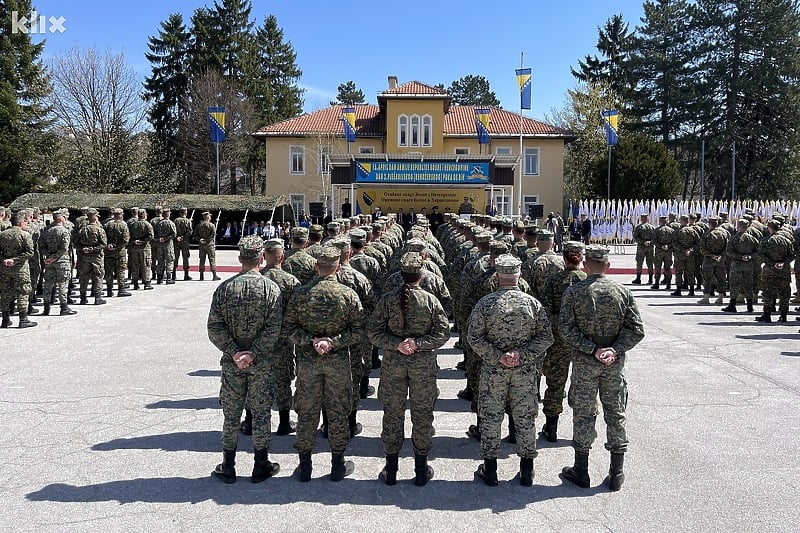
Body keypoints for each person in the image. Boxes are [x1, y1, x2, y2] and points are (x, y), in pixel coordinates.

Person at [558, 245, 645, 491]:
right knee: (615, 414)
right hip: (612, 364)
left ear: (586, 266)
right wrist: (614, 349)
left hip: (586, 364)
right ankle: (616, 473)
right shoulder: (622, 292)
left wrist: (591, 349)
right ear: (607, 266)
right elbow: (636, 330)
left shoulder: (575, 292)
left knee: (584, 415)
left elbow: (566, 330)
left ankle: (581, 471)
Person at [468, 254, 554, 487]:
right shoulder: (532, 304)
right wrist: (521, 355)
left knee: (491, 417)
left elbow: (473, 338)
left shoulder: (485, 304)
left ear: (497, 277)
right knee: (525, 418)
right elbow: (546, 337)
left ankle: (491, 469)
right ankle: (527, 471)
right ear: (519, 276)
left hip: (494, 371)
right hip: (524, 371)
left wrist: (498, 356)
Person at [282, 247, 364, 482]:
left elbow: (288, 329)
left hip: (308, 362)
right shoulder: (347, 294)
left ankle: (305, 465)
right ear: (337, 267)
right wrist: (334, 342)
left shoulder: (300, 294)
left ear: (317, 267)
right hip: (337, 363)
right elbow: (358, 330)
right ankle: (337, 465)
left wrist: (311, 341)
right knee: (337, 412)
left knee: (307, 412)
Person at [368, 252, 450, 486]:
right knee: (422, 415)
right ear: (421, 274)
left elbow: (373, 332)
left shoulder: (387, 299)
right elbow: (443, 333)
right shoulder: (430, 301)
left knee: (392, 414)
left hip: (394, 363)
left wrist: (396, 344)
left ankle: (391, 469)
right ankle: (421, 470)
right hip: (422, 365)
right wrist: (418, 344)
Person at [207, 235, 283, 484]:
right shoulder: (271, 289)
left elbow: (214, 328)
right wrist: (253, 353)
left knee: (231, 414)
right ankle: (261, 464)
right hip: (260, 364)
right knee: (261, 413)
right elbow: (273, 330)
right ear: (262, 259)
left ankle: (228, 465)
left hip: (233, 364)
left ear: (240, 258)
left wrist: (235, 352)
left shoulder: (225, 289)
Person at [539, 241, 586, 442]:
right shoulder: (587, 281)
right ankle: (582, 433)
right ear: (580, 258)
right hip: (584, 342)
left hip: (559, 340)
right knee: (584, 386)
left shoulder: (553, 281)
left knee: (555, 383)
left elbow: (545, 311)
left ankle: (551, 428)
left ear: (563, 257)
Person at [0, 211, 36, 328]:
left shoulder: (2, 235)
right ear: (20, 223)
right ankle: (23, 319)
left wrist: (4, 260)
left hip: (5, 268)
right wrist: (15, 260)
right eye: (25, 221)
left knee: (5, 292)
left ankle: (5, 319)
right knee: (23, 291)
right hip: (20, 269)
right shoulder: (24, 235)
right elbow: (30, 252)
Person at [39, 209, 77, 317]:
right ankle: (63, 307)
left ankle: (46, 307)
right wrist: (54, 257)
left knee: (48, 283)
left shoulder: (47, 231)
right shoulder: (64, 231)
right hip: (62, 261)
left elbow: (42, 246)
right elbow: (64, 248)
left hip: (49, 261)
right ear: (61, 218)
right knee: (62, 284)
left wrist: (48, 257)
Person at [74, 208, 107, 306]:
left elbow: (77, 243)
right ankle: (97, 297)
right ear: (95, 217)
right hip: (96, 257)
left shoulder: (82, 230)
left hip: (84, 257)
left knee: (83, 277)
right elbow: (103, 244)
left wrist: (84, 249)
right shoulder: (99, 230)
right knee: (97, 276)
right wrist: (93, 249)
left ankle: (83, 298)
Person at [103, 208, 131, 298]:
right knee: (121, 270)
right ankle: (121, 289)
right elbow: (125, 240)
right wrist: (116, 246)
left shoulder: (107, 225)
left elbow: (103, 237)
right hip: (120, 252)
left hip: (108, 251)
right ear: (121, 215)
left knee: (109, 271)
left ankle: (109, 290)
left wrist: (109, 245)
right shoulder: (123, 225)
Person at [128, 209, 154, 291]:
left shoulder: (133, 224)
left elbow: (129, 235)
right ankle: (146, 283)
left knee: (135, 265)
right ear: (144, 215)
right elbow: (151, 236)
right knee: (146, 265)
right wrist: (143, 241)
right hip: (144, 248)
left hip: (134, 247)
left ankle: (135, 283)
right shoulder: (147, 225)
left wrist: (134, 241)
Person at [152, 207, 177, 285]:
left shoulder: (159, 223)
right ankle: (169, 277)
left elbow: (154, 232)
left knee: (160, 261)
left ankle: (159, 278)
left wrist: (159, 239)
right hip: (168, 244)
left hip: (160, 244)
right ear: (168, 214)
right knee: (169, 260)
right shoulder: (170, 223)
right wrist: (166, 238)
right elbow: (174, 234)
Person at [195, 211, 221, 281]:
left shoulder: (199, 225)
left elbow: (195, 235)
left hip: (201, 245)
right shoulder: (212, 225)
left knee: (202, 260)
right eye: (209, 216)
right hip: (209, 245)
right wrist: (206, 240)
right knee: (212, 259)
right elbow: (213, 235)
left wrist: (200, 240)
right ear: (208, 217)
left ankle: (201, 275)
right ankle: (214, 275)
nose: (210, 217)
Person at [632, 214, 656, 285]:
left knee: (639, 263)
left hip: (641, 247)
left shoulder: (638, 227)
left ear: (641, 219)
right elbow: (655, 238)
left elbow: (635, 238)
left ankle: (638, 278)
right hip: (650, 247)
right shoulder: (652, 227)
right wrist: (650, 242)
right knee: (650, 263)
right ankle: (650, 279)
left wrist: (643, 242)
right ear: (647, 219)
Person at [173, 207, 193, 281]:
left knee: (175, 257)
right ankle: (186, 274)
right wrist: (183, 237)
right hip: (185, 242)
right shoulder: (188, 221)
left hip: (176, 242)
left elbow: (173, 230)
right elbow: (190, 231)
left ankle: (173, 274)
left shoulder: (176, 220)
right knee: (185, 258)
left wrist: (177, 237)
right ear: (185, 212)